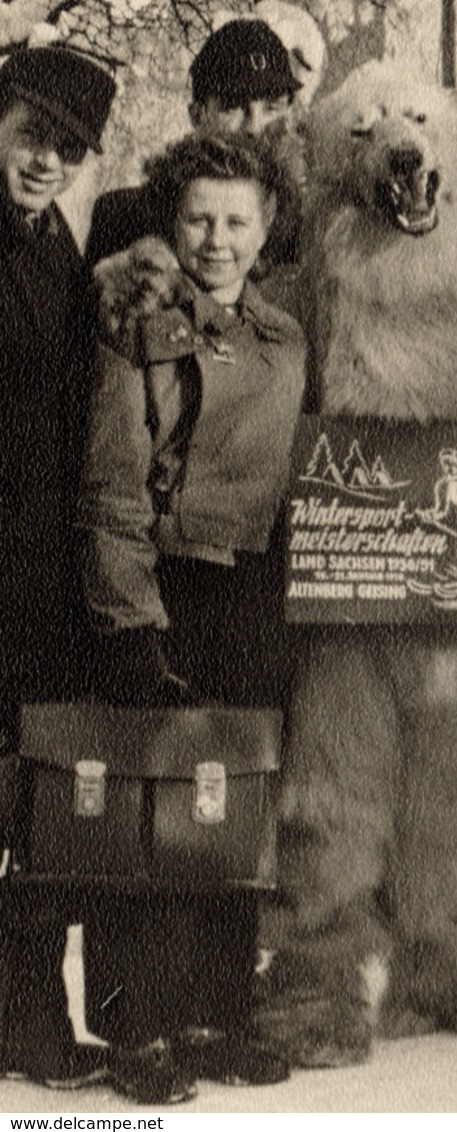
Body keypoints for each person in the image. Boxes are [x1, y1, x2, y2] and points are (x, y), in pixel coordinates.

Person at [77, 132, 306, 1103]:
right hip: (166, 588)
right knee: (147, 809)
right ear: (171, 221)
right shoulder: (142, 318)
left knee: (230, 803)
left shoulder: (283, 335)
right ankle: (138, 1026)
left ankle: (217, 1009)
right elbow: (112, 483)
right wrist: (130, 622)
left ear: (266, 229)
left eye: (237, 220)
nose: (217, 239)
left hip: (254, 589)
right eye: (198, 217)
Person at [0, 44, 116, 1090]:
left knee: (37, 806)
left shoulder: (51, 245)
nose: (48, 161)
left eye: (70, 149)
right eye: (32, 134)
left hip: (37, 578)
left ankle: (31, 1021)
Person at [85, 18, 305, 270]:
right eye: (234, 106)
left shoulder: (306, 233)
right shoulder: (124, 216)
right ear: (197, 115)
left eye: (271, 107)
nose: (254, 127)